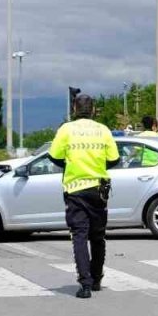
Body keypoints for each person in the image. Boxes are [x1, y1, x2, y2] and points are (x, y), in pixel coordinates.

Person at [49, 93, 119, 299]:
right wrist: (96, 166)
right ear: (94, 109)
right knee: (98, 236)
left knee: (79, 236)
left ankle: (85, 285)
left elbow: (54, 156)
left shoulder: (66, 130)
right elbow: (114, 159)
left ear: (74, 109)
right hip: (98, 190)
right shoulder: (103, 130)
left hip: (75, 189)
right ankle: (97, 279)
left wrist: (72, 164)